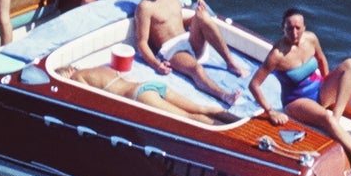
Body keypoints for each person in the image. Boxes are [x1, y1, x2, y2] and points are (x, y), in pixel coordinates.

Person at [248, 8, 351, 167]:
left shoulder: (311, 39)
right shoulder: (277, 55)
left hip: (319, 91)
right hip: (296, 102)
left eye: (298, 28)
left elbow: (321, 59)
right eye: (289, 28)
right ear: (282, 29)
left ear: (304, 28)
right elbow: (254, 84)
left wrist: (327, 82)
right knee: (325, 118)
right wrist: (270, 111)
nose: (294, 32)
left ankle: (336, 119)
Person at [133, 0, 245, 103]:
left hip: (187, 40)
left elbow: (175, 20)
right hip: (172, 51)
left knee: (204, 16)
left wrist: (197, 16)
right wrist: (157, 64)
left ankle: (230, 63)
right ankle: (224, 95)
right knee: (197, 69)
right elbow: (142, 43)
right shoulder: (145, 7)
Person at [67, 62, 236, 124]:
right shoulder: (100, 67)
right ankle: (237, 122)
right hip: (149, 85)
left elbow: (86, 98)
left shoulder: (77, 76)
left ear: (69, 70)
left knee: (187, 118)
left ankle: (230, 136)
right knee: (200, 108)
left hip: (139, 95)